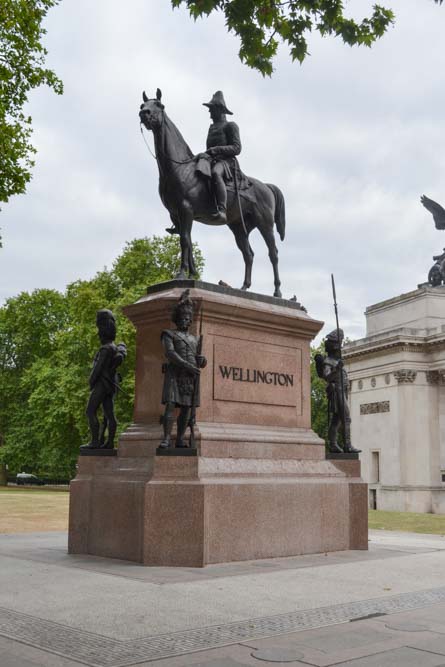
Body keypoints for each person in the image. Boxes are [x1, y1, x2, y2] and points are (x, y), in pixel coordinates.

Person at [160, 290, 206, 449]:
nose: (185, 320)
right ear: (177, 318)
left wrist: (202, 361)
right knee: (171, 406)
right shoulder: (168, 334)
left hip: (190, 377)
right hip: (175, 374)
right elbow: (170, 353)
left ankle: (180, 438)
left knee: (186, 409)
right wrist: (188, 365)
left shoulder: (195, 339)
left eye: (188, 317)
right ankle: (166, 438)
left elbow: (198, 359)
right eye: (182, 317)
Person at [81, 310, 127, 451]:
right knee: (109, 413)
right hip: (110, 385)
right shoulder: (113, 347)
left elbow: (98, 369)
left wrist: (91, 382)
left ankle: (95, 441)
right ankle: (110, 442)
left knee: (90, 411)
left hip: (102, 384)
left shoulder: (105, 349)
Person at [315, 329, 360, 454]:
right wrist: (337, 369)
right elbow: (327, 377)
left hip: (343, 390)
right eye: (339, 345)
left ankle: (334, 444)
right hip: (337, 391)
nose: (340, 348)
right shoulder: (328, 361)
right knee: (345, 418)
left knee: (337, 420)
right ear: (335, 347)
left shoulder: (336, 360)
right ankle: (347, 445)